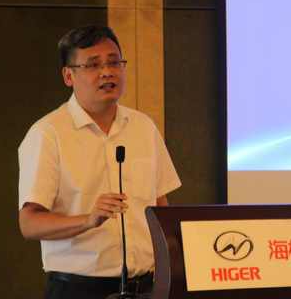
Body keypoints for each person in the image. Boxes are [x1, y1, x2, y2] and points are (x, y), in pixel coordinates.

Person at [18, 25, 181, 298]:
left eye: (114, 62)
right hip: (79, 289)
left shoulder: (143, 127)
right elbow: (29, 223)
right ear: (68, 76)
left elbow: (160, 208)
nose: (107, 72)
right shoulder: (47, 134)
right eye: (93, 65)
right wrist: (89, 220)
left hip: (146, 288)